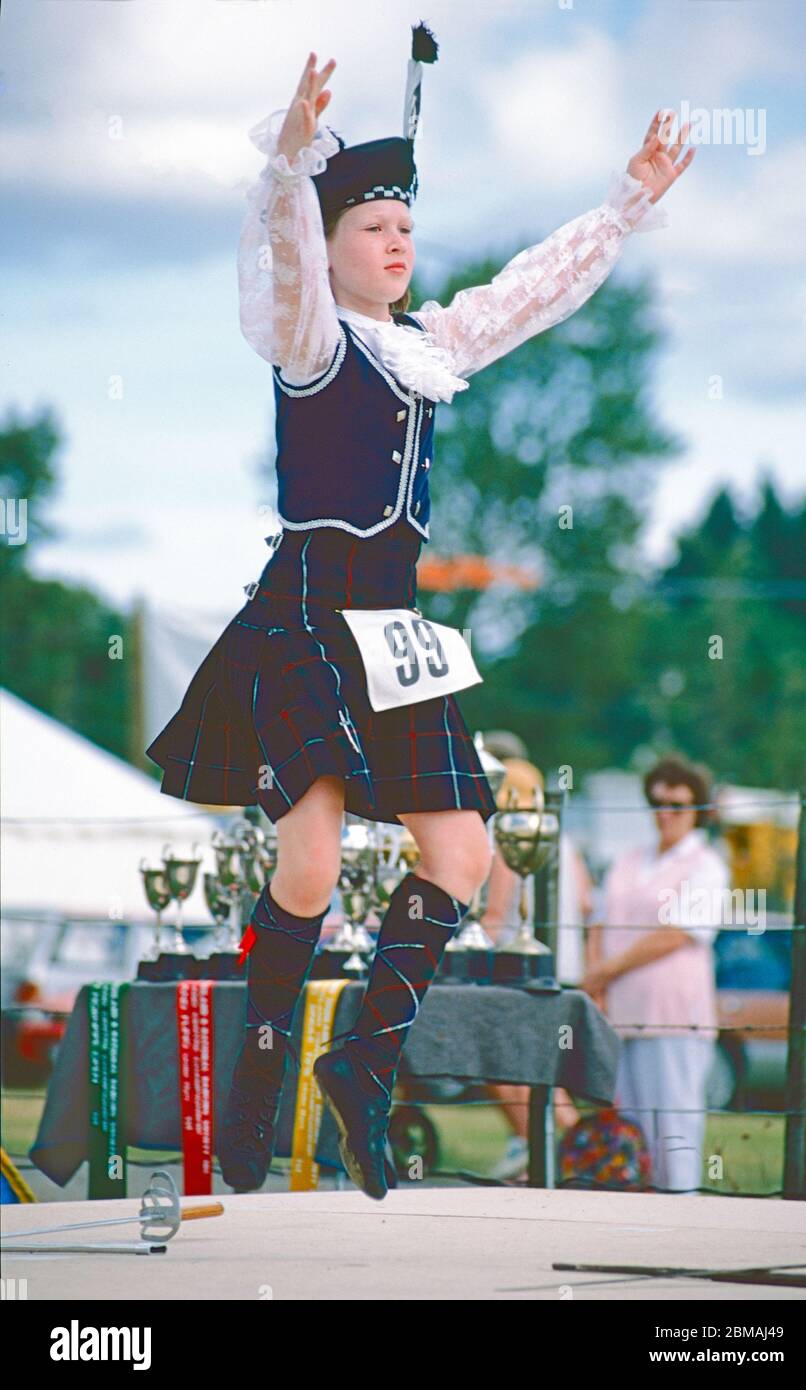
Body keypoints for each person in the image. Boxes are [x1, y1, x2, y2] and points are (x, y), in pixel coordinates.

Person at [145, 23, 695, 1202]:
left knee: (462, 851)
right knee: (306, 864)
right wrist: (291, 166)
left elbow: (530, 293)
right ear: (334, 243)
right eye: (373, 229)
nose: (396, 244)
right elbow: (286, 262)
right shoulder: (309, 339)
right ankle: (253, 1101)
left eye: (406, 229)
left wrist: (622, 207)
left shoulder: (432, 347)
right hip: (304, 617)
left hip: (392, 628)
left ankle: (363, 1067)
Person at [581, 755, 729, 1193]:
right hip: (622, 1014)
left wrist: (606, 970)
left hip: (673, 1013)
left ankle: (680, 1210)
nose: (665, 814)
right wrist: (596, 980)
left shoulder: (707, 866)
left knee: (675, 1124)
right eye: (658, 803)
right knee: (630, 1126)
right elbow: (599, 920)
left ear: (696, 810)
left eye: (677, 805)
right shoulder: (628, 860)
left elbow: (679, 934)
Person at [479, 749, 594, 1179]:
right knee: (544, 1070)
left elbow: (495, 914)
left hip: (522, 970)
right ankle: (559, 1151)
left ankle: (566, 1150)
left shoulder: (510, 834)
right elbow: (585, 901)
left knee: (512, 1066)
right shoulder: (563, 837)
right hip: (566, 966)